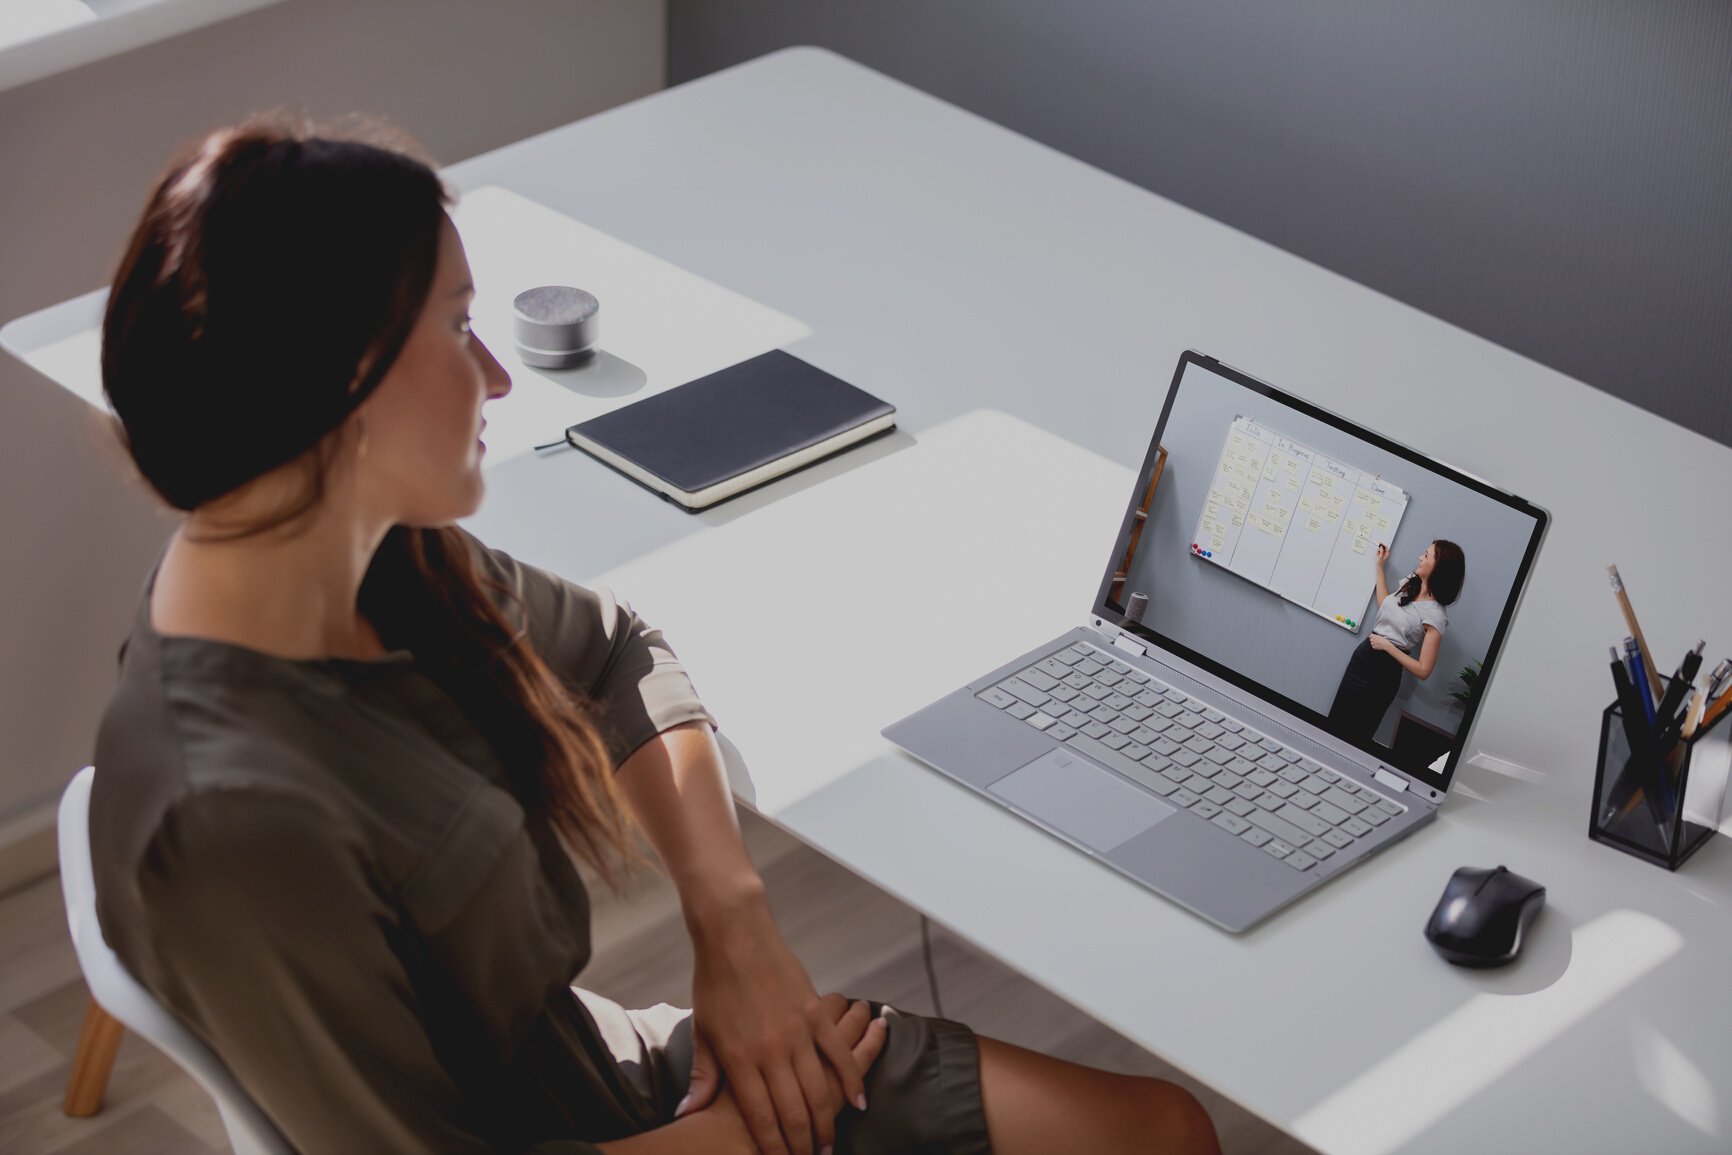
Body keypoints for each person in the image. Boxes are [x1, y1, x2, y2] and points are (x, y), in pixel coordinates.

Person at [87, 117, 1220, 1155]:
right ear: (344, 381)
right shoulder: (228, 826)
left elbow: (619, 647)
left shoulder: (348, 549)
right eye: (458, 325)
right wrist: (773, 1114)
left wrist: (735, 929)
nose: (495, 377)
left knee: (1159, 1129)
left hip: (608, 1087)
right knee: (1162, 1136)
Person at [1326, 539, 1466, 746]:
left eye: (1426, 555)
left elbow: (1423, 670)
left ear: (1439, 567)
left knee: (1356, 736)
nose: (1420, 557)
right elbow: (1385, 605)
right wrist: (1380, 567)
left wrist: (1388, 647)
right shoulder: (1411, 582)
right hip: (1362, 659)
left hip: (1382, 674)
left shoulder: (1435, 615)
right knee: (1334, 724)